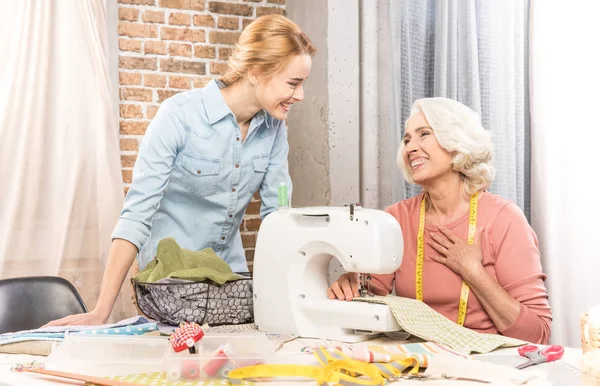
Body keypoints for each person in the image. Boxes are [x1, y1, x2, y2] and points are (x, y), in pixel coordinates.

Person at [45, 14, 317, 326]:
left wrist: (293, 298)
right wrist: (101, 311)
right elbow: (137, 215)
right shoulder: (179, 117)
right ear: (255, 71)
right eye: (293, 84)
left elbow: (277, 217)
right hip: (171, 286)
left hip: (229, 282)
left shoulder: (273, 130)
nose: (300, 96)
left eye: (302, 84)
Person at [328, 98, 552, 344]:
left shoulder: (504, 219)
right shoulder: (396, 219)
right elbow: (370, 292)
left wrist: (474, 272)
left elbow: (538, 334)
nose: (410, 147)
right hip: (419, 362)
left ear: (456, 143)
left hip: (488, 365)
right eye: (406, 139)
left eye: (424, 134)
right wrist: (351, 286)